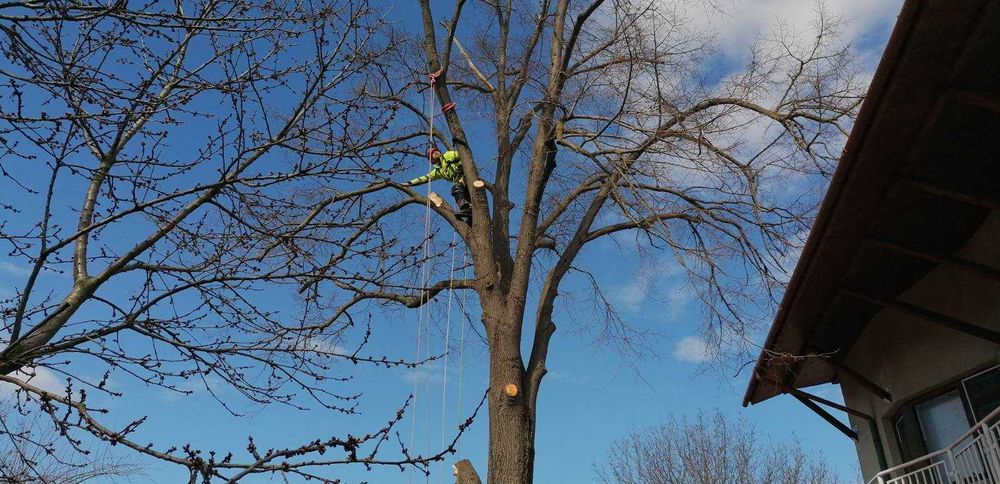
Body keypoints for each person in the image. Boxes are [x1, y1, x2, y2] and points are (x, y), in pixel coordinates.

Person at [406, 146, 472, 223]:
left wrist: (452, 160)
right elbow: (425, 178)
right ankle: (470, 214)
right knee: (461, 195)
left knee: (456, 189)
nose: (435, 152)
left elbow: (463, 155)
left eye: (435, 151)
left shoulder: (448, 155)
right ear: (432, 160)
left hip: (467, 176)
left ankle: (465, 209)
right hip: (461, 184)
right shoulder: (439, 171)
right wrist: (409, 183)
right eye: (432, 153)